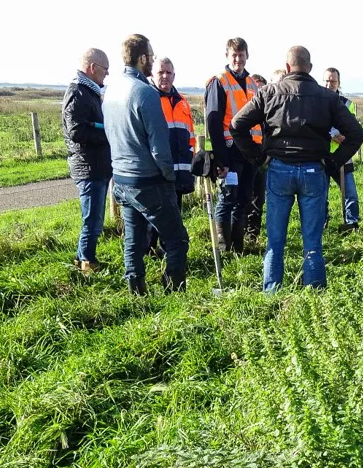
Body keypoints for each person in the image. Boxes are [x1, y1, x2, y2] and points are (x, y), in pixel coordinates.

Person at [231, 45, 363, 291]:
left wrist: (259, 157)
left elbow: (236, 125)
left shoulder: (269, 92)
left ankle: (272, 292)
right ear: (310, 68)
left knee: (275, 240)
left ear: (288, 67)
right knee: (312, 240)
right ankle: (314, 292)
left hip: (279, 169)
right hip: (314, 170)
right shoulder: (328, 97)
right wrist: (332, 162)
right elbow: (356, 133)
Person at [102, 33, 191, 296]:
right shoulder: (145, 93)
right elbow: (159, 145)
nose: (152, 61)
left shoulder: (112, 90)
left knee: (133, 237)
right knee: (177, 239)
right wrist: (168, 176)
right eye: (151, 56)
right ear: (142, 58)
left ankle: (136, 288)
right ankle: (174, 290)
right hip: (148, 179)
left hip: (121, 178)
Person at [204, 37, 262, 254]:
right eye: (234, 55)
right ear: (227, 56)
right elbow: (213, 122)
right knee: (228, 198)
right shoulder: (219, 81)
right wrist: (221, 158)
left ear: (247, 55)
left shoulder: (253, 84)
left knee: (244, 200)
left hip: (250, 152)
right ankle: (223, 247)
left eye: (241, 54)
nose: (238, 59)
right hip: (230, 152)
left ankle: (238, 247)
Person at [61, 47, 111, 274]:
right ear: (92, 68)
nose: (106, 75)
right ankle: (87, 262)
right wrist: (108, 133)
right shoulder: (78, 92)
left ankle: (83, 258)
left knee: (94, 217)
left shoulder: (89, 91)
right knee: (92, 219)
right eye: (105, 70)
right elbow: (77, 131)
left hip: (96, 164)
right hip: (88, 165)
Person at [146, 57, 196, 259]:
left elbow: (190, 136)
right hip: (157, 171)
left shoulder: (183, 101)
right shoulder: (149, 98)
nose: (165, 76)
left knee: (175, 215)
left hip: (179, 172)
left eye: (168, 72)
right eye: (160, 72)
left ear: (174, 75)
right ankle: (148, 253)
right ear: (152, 74)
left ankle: (168, 253)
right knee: (154, 218)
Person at [322, 67, 360, 232]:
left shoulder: (346, 103)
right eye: (327, 80)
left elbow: (351, 125)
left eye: (333, 81)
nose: (330, 84)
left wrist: (342, 134)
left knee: (350, 192)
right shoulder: (316, 101)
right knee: (321, 194)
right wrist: (332, 133)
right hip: (322, 154)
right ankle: (322, 222)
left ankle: (351, 223)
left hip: (343, 155)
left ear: (339, 83)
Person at [247, 73, 270, 245]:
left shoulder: (269, 111)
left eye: (262, 88)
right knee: (243, 198)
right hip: (246, 157)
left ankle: (253, 234)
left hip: (262, 159)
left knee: (258, 198)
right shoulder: (247, 110)